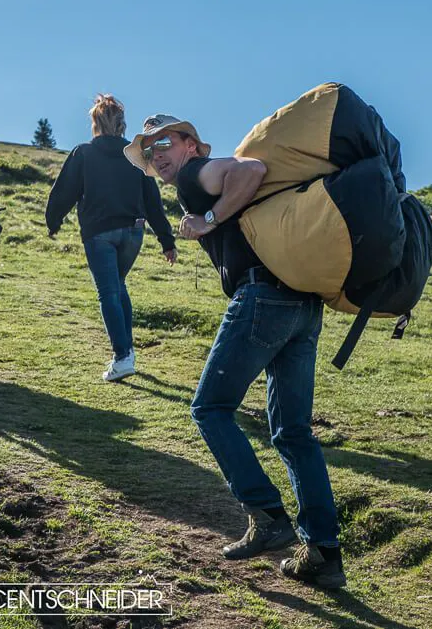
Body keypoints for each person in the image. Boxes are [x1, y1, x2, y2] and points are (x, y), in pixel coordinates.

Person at [125, 113, 345, 589]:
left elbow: (250, 171)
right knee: (292, 432)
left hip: (263, 300)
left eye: (164, 142)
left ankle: (267, 517)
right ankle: (324, 553)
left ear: (190, 145)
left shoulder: (194, 175)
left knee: (209, 409)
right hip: (302, 306)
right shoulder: (198, 176)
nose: (156, 155)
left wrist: (207, 219)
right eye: (148, 150)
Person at [46, 94, 177, 382]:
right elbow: (152, 199)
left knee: (108, 292)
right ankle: (126, 352)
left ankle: (123, 356)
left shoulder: (83, 153)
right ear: (121, 124)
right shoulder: (135, 156)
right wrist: (167, 241)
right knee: (117, 286)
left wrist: (53, 221)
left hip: (99, 233)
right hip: (133, 232)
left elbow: (64, 191)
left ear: (95, 123)